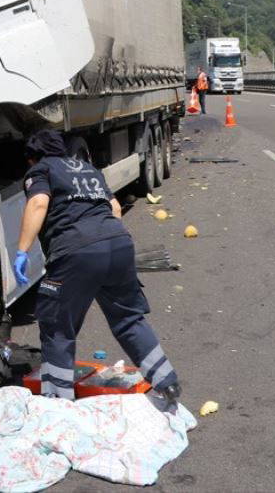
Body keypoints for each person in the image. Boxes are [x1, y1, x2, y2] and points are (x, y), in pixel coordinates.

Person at [12, 129, 181, 405]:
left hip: (76, 251)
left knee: (56, 327)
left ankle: (57, 403)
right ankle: (167, 382)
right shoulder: (88, 169)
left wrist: (22, 250)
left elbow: (39, 202)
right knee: (128, 319)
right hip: (118, 244)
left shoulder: (41, 170)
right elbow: (114, 208)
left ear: (32, 158)